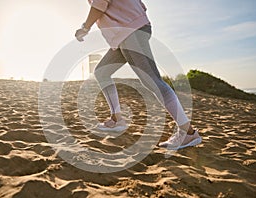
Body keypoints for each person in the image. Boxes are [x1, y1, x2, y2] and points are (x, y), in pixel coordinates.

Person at [75, 0, 202, 150]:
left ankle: (188, 132)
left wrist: (85, 27)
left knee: (152, 81)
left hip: (129, 30)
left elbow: (100, 4)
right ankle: (117, 119)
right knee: (102, 72)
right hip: (125, 32)